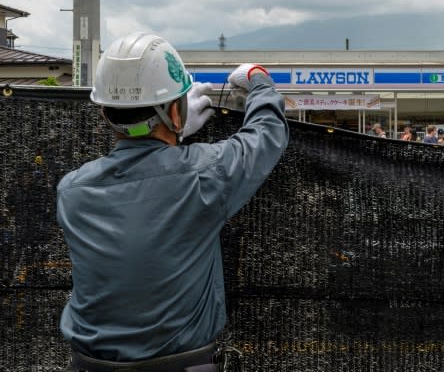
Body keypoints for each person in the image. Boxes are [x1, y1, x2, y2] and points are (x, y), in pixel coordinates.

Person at [56, 33, 289, 372]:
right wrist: (257, 79)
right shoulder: (205, 175)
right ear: (174, 112)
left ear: (105, 112)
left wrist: (171, 136)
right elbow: (267, 133)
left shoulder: (72, 191)